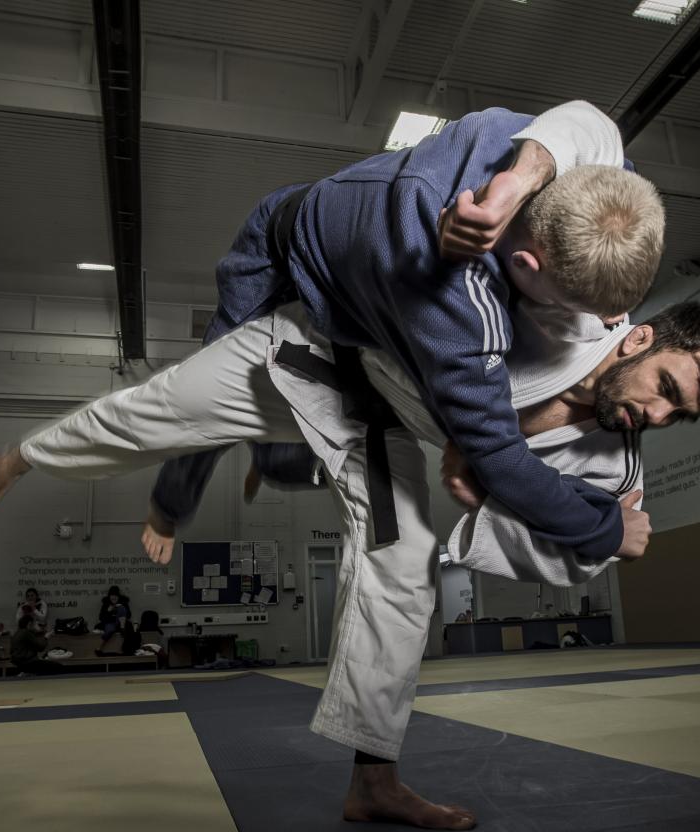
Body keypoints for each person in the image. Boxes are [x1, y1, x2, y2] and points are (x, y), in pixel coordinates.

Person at [0, 298, 700, 829]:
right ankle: (22, 457)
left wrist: (528, 510)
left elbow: (570, 557)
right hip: (319, 347)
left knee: (404, 571)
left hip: (382, 425)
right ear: (640, 337)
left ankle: (372, 781)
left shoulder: (618, 462)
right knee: (165, 410)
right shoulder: (564, 314)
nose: (654, 414)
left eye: (678, 415)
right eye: (664, 388)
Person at [130, 100, 665, 568]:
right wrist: (604, 528)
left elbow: (593, 127)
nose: (603, 329)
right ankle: (167, 510)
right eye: (578, 310)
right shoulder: (456, 304)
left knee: (334, 416)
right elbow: (501, 460)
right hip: (279, 260)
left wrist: (522, 178)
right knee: (204, 405)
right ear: (526, 264)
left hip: (361, 286)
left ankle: (274, 461)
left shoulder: (521, 145)